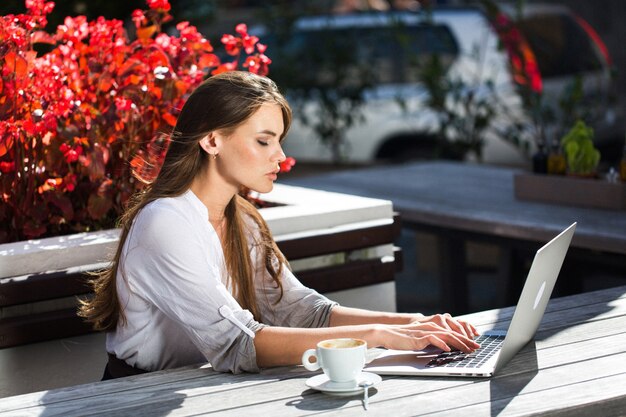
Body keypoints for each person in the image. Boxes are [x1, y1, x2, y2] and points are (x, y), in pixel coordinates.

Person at [79, 71, 479, 379]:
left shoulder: (241, 219)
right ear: (212, 141)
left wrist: (413, 324)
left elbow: (301, 310)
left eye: (280, 141)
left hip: (198, 389)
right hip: (134, 398)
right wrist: (375, 337)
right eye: (264, 141)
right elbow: (238, 344)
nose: (281, 156)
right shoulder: (164, 221)